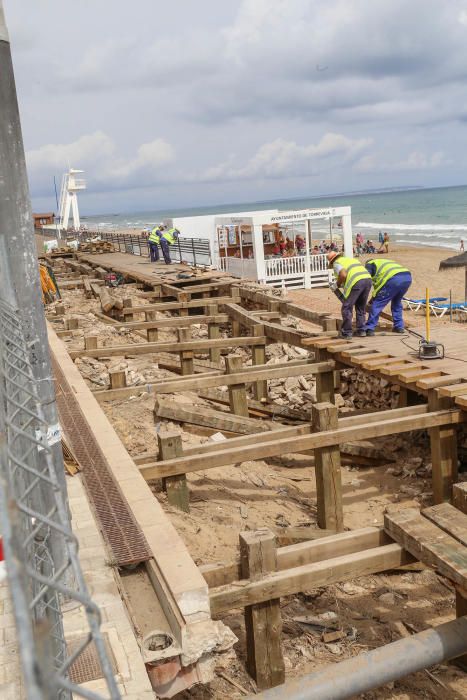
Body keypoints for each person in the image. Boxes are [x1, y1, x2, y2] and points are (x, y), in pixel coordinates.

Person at [327, 251, 372, 338]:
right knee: (360, 307)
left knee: (346, 307)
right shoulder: (351, 260)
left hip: (356, 282)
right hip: (367, 280)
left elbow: (343, 275)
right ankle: (361, 330)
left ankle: (346, 332)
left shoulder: (337, 263)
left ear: (332, 261)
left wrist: (337, 285)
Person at [364, 258, 412, 336]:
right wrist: (371, 300)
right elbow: (379, 290)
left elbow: (366, 279)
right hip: (407, 277)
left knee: (377, 304)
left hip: (393, 279)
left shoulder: (370, 264)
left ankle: (370, 328)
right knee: (396, 302)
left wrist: (370, 301)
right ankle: (399, 327)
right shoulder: (383, 262)